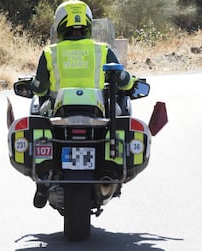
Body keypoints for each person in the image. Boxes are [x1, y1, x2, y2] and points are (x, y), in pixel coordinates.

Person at [30, 0, 135, 208]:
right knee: (121, 113)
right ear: (88, 23)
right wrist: (131, 82)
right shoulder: (102, 49)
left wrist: (32, 85)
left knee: (38, 116)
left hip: (59, 112)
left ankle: (42, 177)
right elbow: (124, 81)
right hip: (97, 113)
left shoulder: (50, 52)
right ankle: (114, 161)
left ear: (59, 23)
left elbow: (40, 89)